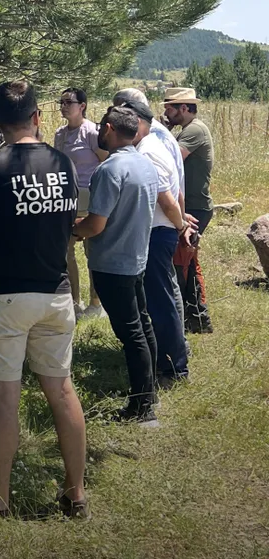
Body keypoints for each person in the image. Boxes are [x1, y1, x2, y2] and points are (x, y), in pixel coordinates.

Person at [0, 81, 88, 519]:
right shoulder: (63, 162)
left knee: (3, 401)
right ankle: (76, 494)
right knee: (62, 390)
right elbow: (67, 219)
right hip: (56, 292)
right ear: (37, 117)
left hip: (4, 295)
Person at [73, 107, 160, 425]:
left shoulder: (110, 170)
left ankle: (142, 409)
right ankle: (149, 393)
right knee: (142, 326)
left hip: (112, 264)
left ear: (109, 129)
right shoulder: (144, 164)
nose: (98, 131)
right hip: (136, 258)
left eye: (100, 127)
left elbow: (95, 225)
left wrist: (72, 229)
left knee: (131, 334)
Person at [121, 98, 194, 388]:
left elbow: (167, 197)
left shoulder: (148, 151)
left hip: (157, 231)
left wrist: (181, 225)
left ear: (140, 122)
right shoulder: (152, 145)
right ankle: (167, 361)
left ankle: (174, 368)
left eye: (129, 121)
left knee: (160, 303)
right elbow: (177, 192)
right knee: (159, 300)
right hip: (159, 229)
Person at [54, 88, 107, 319]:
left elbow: (106, 162)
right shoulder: (60, 134)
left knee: (91, 250)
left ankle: (96, 303)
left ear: (82, 106)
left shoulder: (92, 132)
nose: (64, 106)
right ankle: (74, 301)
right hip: (67, 197)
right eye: (62, 102)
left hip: (90, 196)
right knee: (66, 250)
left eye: (69, 102)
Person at [164, 88, 214, 334]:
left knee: (183, 263)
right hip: (191, 205)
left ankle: (194, 318)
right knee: (187, 262)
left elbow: (170, 160)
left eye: (169, 109)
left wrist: (161, 132)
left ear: (183, 108)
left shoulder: (194, 130)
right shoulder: (188, 130)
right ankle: (196, 319)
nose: (166, 114)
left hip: (194, 208)